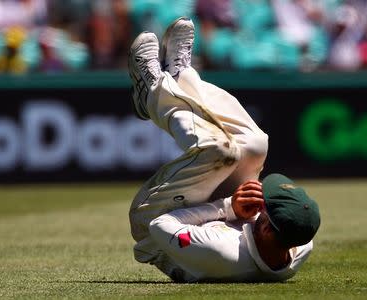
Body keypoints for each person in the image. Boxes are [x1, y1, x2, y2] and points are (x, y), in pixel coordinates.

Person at [128, 17, 321, 282]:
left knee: (219, 151)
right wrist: (237, 206)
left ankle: (152, 93)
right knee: (255, 145)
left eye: (266, 205)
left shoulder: (223, 253)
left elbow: (159, 227)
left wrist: (229, 207)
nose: (262, 197)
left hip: (156, 222)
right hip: (218, 213)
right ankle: (181, 76)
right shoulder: (298, 240)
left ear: (266, 230)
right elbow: (293, 229)